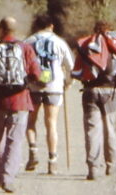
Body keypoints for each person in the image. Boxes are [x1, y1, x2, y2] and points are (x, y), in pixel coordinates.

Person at [0, 16, 41, 193]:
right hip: (20, 101)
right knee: (14, 141)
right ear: (15, 31)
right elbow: (37, 73)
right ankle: (8, 178)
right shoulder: (25, 48)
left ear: (0, 30)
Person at [73, 20, 116, 181]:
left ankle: (93, 168)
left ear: (95, 30)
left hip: (90, 91)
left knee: (92, 130)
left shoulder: (87, 45)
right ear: (110, 30)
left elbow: (78, 70)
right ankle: (111, 165)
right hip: (110, 92)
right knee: (110, 128)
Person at [22, 13, 74, 174]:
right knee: (51, 123)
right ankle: (52, 161)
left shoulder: (28, 42)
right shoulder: (59, 42)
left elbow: (22, 65)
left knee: (30, 122)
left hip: (34, 86)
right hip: (54, 86)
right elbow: (70, 67)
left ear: (37, 26)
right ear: (51, 26)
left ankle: (33, 150)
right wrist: (67, 82)